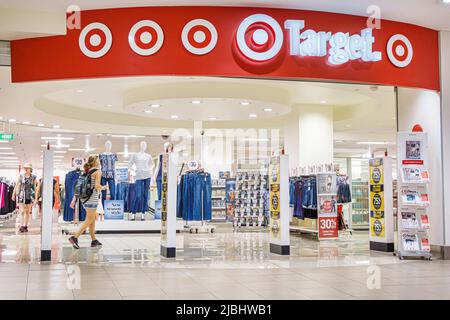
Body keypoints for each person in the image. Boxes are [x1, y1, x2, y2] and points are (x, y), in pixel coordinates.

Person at [68, 155, 106, 249]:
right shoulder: (98, 171)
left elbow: (79, 186)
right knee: (89, 219)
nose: (99, 161)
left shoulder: (86, 171)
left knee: (92, 219)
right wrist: (104, 187)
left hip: (84, 198)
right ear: (95, 162)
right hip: (92, 198)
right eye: (98, 160)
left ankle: (94, 240)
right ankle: (74, 237)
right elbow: (97, 186)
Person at [12, 163, 38, 233]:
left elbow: (35, 188)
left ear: (30, 169)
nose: (26, 169)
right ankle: (21, 225)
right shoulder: (21, 176)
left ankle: (25, 226)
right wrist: (13, 194)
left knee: (27, 212)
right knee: (22, 211)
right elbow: (17, 185)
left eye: (28, 168)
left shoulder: (34, 177)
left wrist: (36, 198)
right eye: (25, 168)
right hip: (21, 196)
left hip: (30, 196)